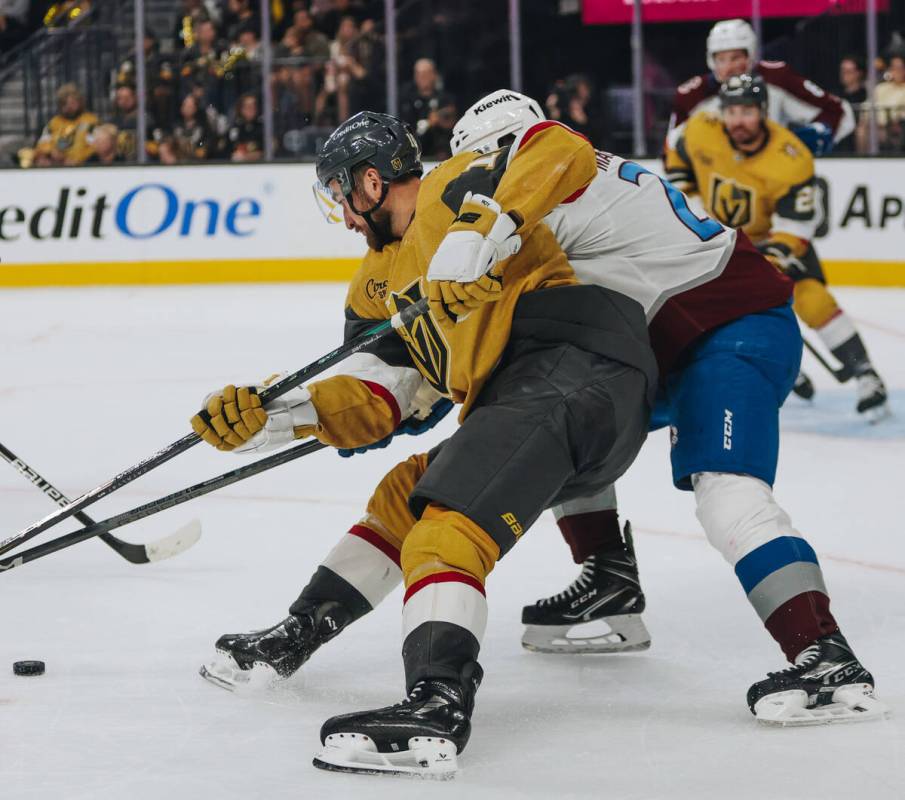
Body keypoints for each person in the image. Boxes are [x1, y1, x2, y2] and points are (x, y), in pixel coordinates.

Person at [193, 110, 658, 777]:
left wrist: (481, 232)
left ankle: (437, 704)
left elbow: (559, 146)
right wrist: (277, 416)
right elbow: (384, 392)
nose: (345, 217)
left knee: (445, 530)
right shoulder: (374, 284)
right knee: (405, 496)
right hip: (535, 396)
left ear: (372, 182)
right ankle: (301, 630)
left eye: (341, 196)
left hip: (576, 364)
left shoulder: (451, 191)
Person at [666, 74, 888, 421]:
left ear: (764, 111)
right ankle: (778, 362)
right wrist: (692, 204)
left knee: (811, 298)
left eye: (747, 111)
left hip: (772, 241)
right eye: (732, 111)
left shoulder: (791, 157)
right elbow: (676, 155)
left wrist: (764, 266)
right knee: (712, 311)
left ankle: (865, 374)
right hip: (720, 240)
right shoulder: (700, 130)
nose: (738, 120)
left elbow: (796, 228)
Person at [668, 18, 854, 156]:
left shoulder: (777, 78)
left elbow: (839, 112)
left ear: (751, 56)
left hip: (770, 177)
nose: (729, 67)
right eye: (721, 59)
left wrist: (802, 140)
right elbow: (672, 148)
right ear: (711, 59)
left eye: (736, 58)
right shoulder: (692, 95)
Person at [398, 58, 456, 159]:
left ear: (434, 75)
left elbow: (452, 123)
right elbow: (405, 132)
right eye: (419, 74)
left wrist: (439, 121)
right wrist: (429, 122)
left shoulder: (445, 99)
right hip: (416, 156)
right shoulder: (407, 102)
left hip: (442, 157)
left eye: (426, 73)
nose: (422, 77)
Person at [32, 83, 98, 166]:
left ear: (80, 102)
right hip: (56, 166)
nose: (69, 107)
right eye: (64, 103)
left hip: (81, 167)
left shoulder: (90, 122)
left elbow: (95, 147)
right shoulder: (53, 123)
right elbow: (42, 145)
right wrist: (50, 153)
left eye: (72, 103)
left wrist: (77, 160)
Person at [836, 55, 867, 152]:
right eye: (842, 71)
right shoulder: (836, 95)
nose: (844, 74)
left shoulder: (866, 95)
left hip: (856, 135)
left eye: (848, 71)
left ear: (859, 73)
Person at [225, 92, 264, 161]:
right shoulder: (235, 128)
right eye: (248, 107)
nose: (251, 110)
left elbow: (267, 151)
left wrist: (248, 157)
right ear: (241, 109)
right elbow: (227, 150)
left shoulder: (262, 128)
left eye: (254, 106)